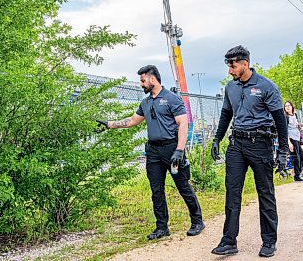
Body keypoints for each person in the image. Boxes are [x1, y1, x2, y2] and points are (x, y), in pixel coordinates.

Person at [96, 65, 205, 240]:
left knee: (183, 186)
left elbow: (183, 124)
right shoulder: (146, 103)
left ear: (152, 79)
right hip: (153, 151)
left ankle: (197, 221)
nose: (141, 84)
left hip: (172, 149)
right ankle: (162, 227)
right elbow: (133, 121)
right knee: (156, 190)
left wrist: (179, 150)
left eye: (142, 80)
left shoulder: (171, 99)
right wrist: (109, 124)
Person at [210, 45, 289, 258]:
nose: (230, 70)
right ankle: (229, 241)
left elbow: (281, 120)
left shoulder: (266, 86)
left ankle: (269, 241)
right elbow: (226, 115)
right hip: (236, 143)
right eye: (228, 66)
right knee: (232, 192)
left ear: (245, 64)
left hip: (260, 143)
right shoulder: (230, 88)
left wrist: (283, 150)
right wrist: (217, 139)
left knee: (265, 193)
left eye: (233, 66)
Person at [284, 101, 303, 182]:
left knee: (302, 157)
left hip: (297, 138)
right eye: (286, 106)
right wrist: (289, 143)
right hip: (291, 139)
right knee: (296, 158)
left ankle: (298, 173)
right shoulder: (285, 117)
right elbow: (285, 131)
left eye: (289, 105)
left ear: (292, 106)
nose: (287, 107)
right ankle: (296, 176)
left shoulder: (295, 115)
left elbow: (296, 125)